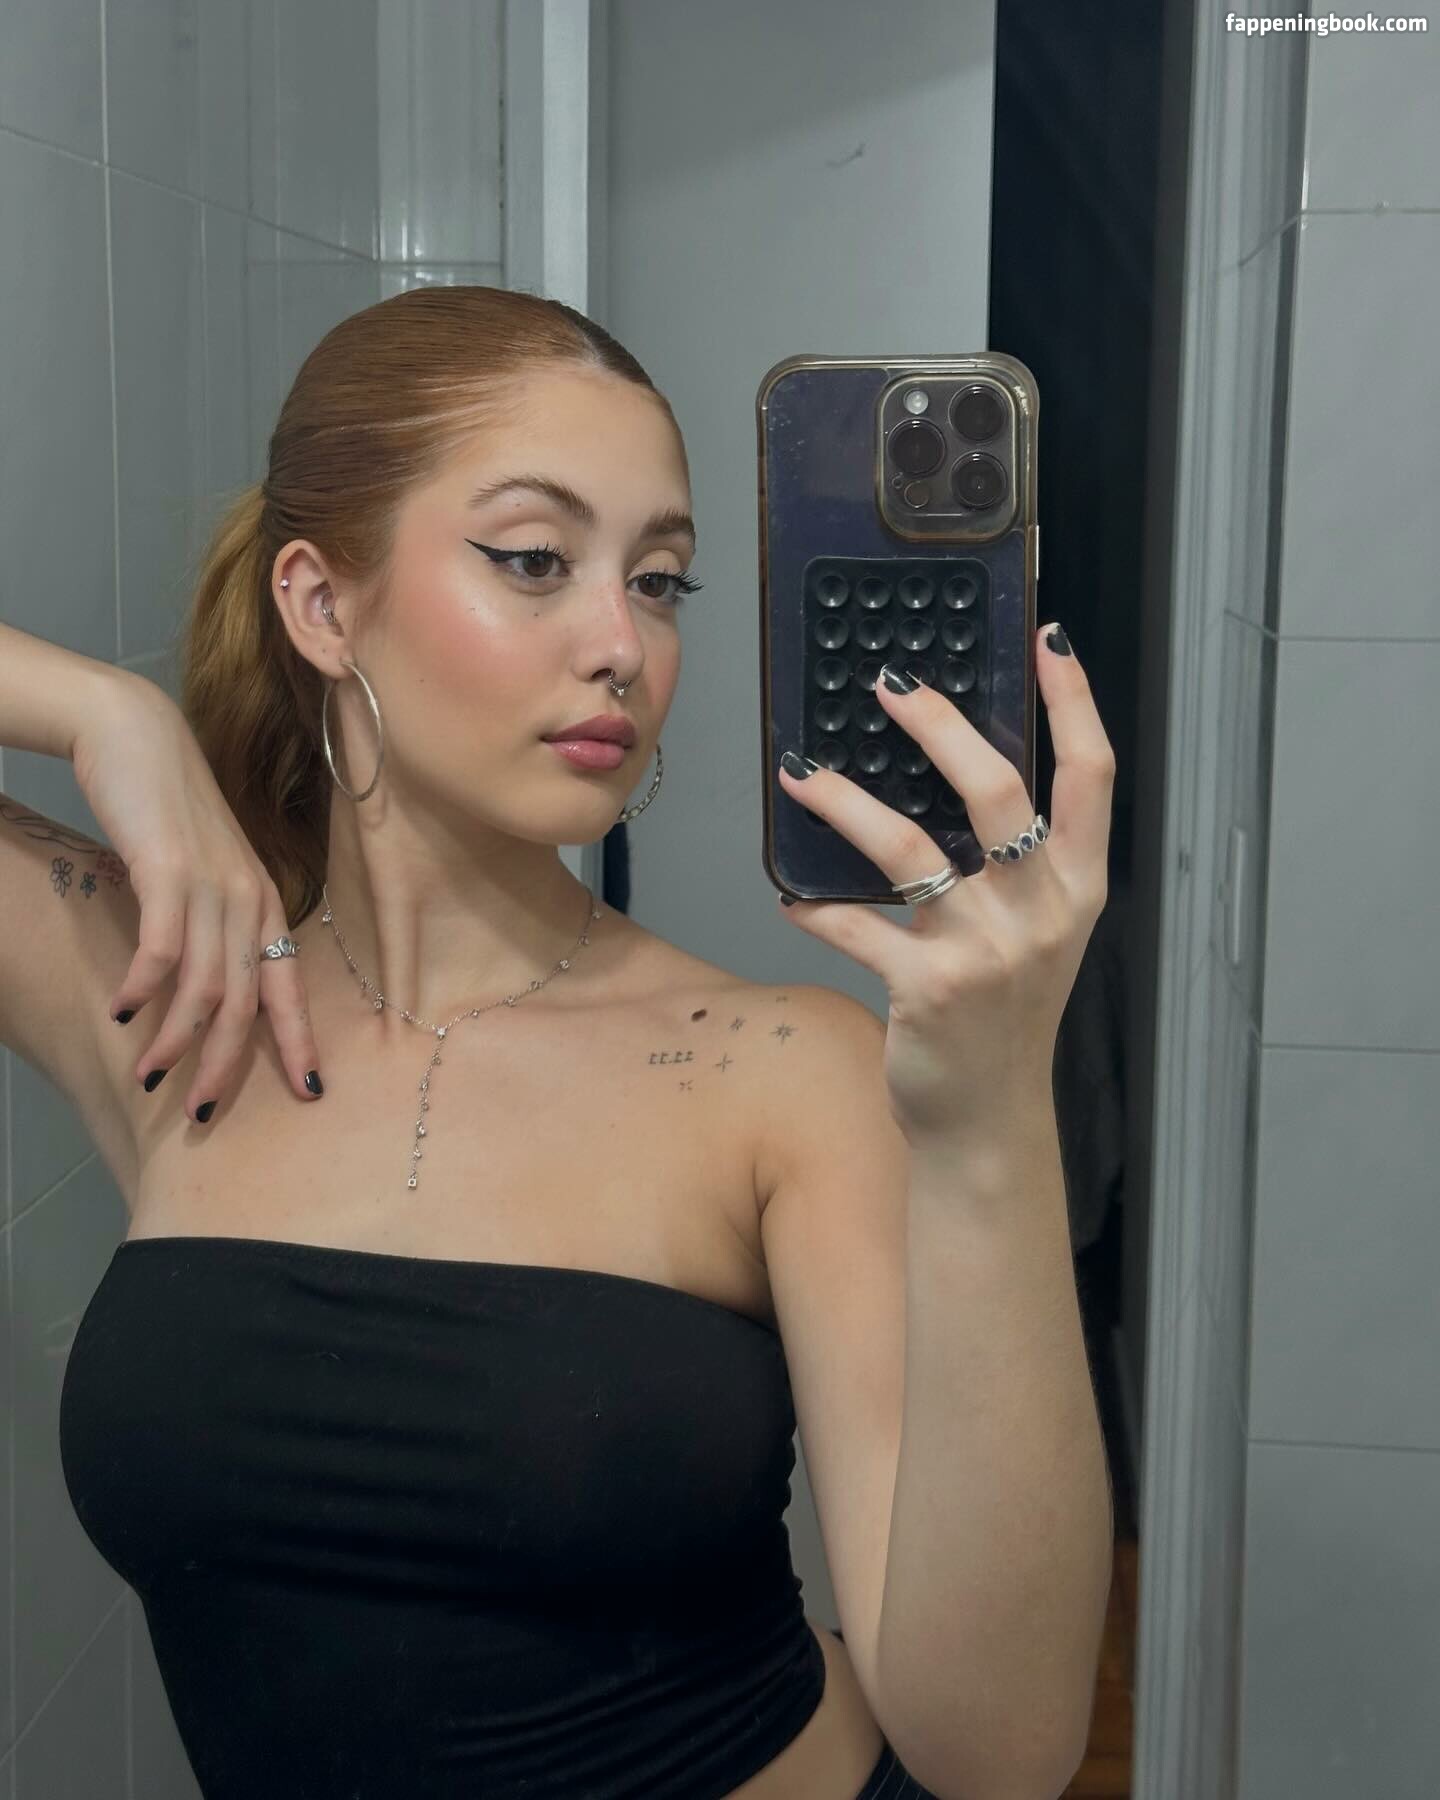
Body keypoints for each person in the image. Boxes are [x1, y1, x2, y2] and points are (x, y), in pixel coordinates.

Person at [3, 287, 990, 1797]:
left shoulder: (785, 1072)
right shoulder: (176, 992)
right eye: (535, 560)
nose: (622, 645)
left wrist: (1005, 1109)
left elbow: (999, 1745)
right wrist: (98, 713)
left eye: (659, 582)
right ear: (322, 605)